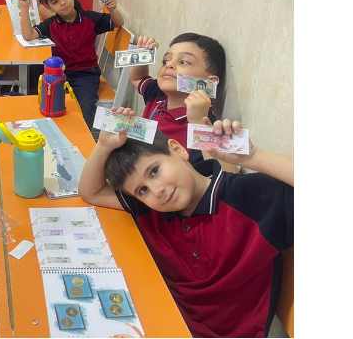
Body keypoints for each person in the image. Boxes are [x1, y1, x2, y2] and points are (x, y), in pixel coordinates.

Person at [78, 109, 293, 337]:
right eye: (142, 190)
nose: (157, 190)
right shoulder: (149, 210)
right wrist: (103, 147)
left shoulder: (252, 198)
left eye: (154, 171)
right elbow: (91, 192)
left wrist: (253, 157)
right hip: (161, 319)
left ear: (178, 149)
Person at [19, 0, 123, 132]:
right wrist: (24, 9)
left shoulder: (90, 18)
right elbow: (28, 35)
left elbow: (118, 22)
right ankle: (59, 135)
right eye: (55, 1)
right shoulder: (51, 24)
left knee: (85, 111)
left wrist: (113, 9)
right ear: (48, 6)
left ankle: (84, 138)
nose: (62, 2)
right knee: (49, 107)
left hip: (86, 75)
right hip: (58, 75)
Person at [129, 33, 226, 152]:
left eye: (183, 62)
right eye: (165, 61)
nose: (169, 65)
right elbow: (138, 79)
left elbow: (216, 161)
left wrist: (199, 123)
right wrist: (142, 55)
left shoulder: (205, 125)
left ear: (210, 83)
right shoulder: (157, 94)